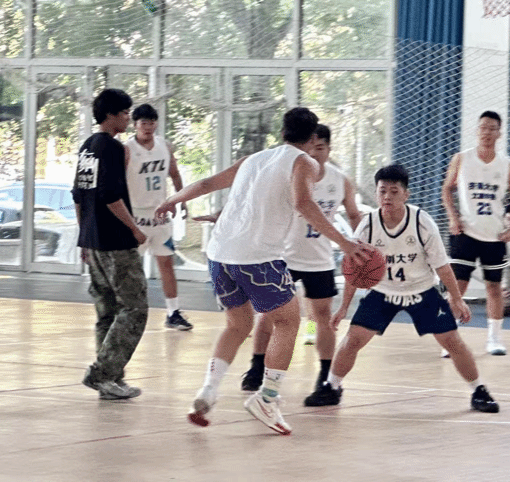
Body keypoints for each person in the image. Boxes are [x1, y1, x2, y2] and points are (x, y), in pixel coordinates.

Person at [155, 107, 371, 435]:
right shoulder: (304, 162)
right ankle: (267, 398)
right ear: (312, 137)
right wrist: (345, 242)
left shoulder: (253, 159)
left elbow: (208, 183)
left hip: (219, 254)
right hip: (256, 257)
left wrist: (173, 199)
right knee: (289, 321)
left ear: (282, 132)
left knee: (237, 324)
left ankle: (208, 391)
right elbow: (303, 203)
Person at [305, 164, 499, 414]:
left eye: (394, 191)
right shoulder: (368, 225)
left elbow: (442, 265)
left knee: (452, 341)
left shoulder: (422, 222)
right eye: (382, 191)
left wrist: (456, 299)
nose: (387, 197)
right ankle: (332, 387)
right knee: (353, 339)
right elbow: (355, 268)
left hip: (422, 291)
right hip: (383, 292)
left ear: (406, 195)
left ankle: (478, 390)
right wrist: (343, 307)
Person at [237, 124, 363, 406]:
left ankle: (325, 375)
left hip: (320, 259)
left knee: (323, 317)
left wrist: (360, 241)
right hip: (284, 256)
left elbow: (354, 215)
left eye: (321, 148)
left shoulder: (340, 180)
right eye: (312, 148)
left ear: (328, 149)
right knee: (268, 314)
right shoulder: (292, 172)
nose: (315, 154)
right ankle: (256, 367)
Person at [73, 88, 149, 401]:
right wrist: (134, 228)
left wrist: (84, 237)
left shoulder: (87, 147)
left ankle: (111, 380)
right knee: (135, 308)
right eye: (125, 113)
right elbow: (111, 195)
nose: (129, 118)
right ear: (110, 115)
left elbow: (78, 195)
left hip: (94, 241)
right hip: (116, 241)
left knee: (107, 311)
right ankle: (103, 373)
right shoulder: (112, 148)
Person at [442, 111, 510, 355]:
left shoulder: (508, 165)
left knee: (494, 288)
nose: (487, 132)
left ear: (499, 133)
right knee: (457, 287)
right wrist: (453, 217)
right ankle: (449, 339)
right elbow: (446, 189)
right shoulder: (461, 159)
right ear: (477, 130)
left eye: (492, 128)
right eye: (483, 127)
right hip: (465, 232)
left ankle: (494, 339)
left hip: (494, 235)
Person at [124, 103, 193, 331]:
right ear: (135, 125)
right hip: (137, 217)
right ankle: (126, 311)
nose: (148, 127)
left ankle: (173, 312)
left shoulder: (165, 145)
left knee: (166, 264)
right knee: (130, 268)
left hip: (160, 216)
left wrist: (181, 199)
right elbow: (118, 183)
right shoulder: (127, 149)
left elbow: (175, 174)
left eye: (152, 122)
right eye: (144, 122)